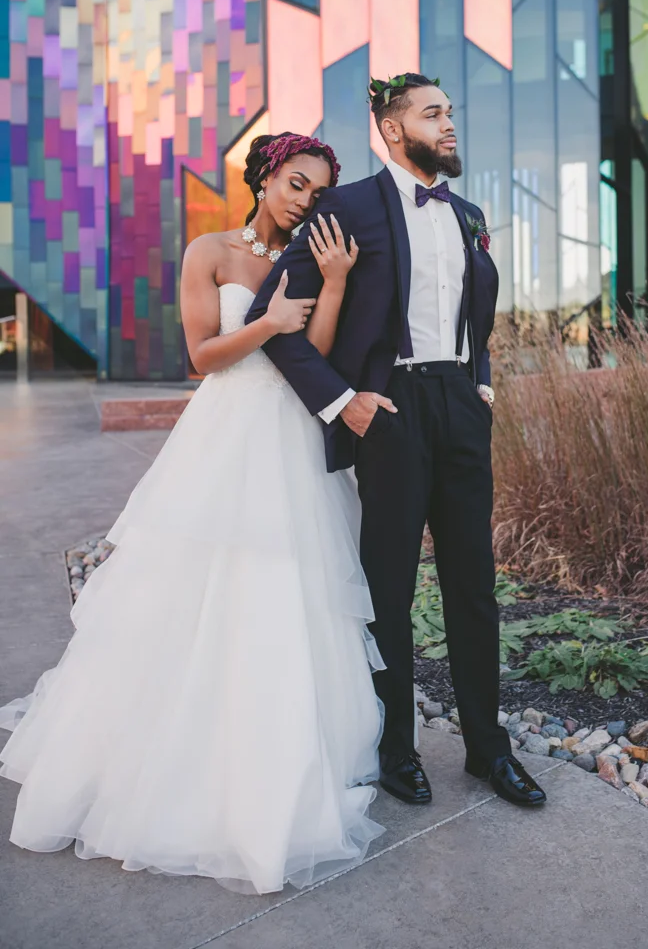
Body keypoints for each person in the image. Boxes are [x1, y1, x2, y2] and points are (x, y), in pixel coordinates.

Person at [0, 133, 386, 894]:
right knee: (194, 584)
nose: (305, 199)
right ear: (266, 176)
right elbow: (202, 356)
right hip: (226, 433)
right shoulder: (210, 250)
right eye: (295, 183)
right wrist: (268, 323)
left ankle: (278, 752)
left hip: (291, 438)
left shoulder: (312, 254)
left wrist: (333, 282)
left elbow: (319, 355)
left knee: (285, 593)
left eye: (317, 190)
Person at [246, 75, 547, 809]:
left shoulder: (467, 214)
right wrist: (341, 402)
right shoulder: (345, 209)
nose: (449, 124)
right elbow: (271, 320)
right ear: (390, 129)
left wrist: (479, 381)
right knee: (388, 587)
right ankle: (394, 750)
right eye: (432, 113)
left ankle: (486, 749)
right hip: (388, 409)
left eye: (450, 111)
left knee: (473, 583)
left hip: (459, 407)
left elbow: (475, 311)